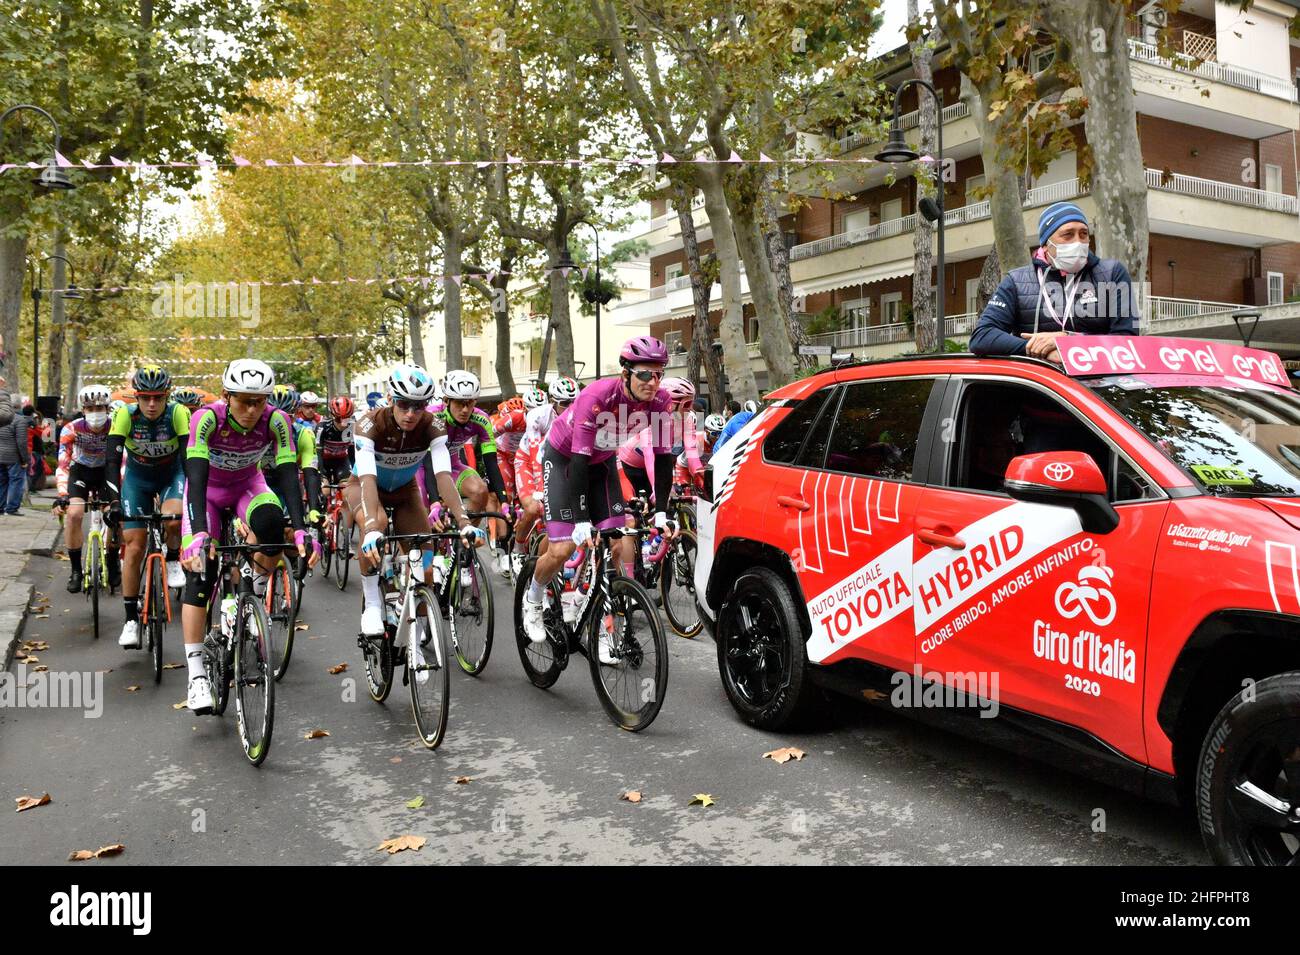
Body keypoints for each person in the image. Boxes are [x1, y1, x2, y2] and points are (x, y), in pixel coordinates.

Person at [521, 336, 677, 663]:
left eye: (659, 374)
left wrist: (661, 514)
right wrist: (580, 520)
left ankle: (604, 628)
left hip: (602, 461)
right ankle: (533, 596)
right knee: (563, 548)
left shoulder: (661, 402)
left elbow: (664, 460)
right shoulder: (597, 396)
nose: (653, 382)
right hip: (565, 460)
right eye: (645, 375)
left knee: (616, 546)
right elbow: (578, 461)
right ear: (626, 374)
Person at [178, 359, 316, 712]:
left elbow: (287, 476)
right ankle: (195, 677)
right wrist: (199, 535)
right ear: (227, 396)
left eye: (260, 401)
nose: (253, 410)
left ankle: (252, 593)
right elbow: (195, 479)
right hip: (206, 493)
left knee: (272, 525)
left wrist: (300, 529)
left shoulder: (277, 420)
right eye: (244, 401)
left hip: (246, 487)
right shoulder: (206, 418)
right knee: (199, 572)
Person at [348, 364, 481, 640]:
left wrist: (464, 521)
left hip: (405, 491)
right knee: (377, 527)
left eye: (418, 406)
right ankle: (372, 602)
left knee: (427, 561)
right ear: (390, 399)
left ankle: (417, 617)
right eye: (404, 404)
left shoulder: (433, 427)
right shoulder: (369, 425)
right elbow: (368, 478)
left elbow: (443, 476)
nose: (411, 413)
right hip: (365, 486)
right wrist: (372, 526)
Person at [970, 202, 1138, 363]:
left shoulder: (1112, 273)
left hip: (1099, 384)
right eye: (1068, 235)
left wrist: (1066, 341)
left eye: (1083, 234)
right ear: (1046, 245)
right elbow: (982, 337)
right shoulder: (1016, 281)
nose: (1078, 242)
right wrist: (1042, 350)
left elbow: (1128, 339)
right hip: (1041, 387)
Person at [105, 365, 190, 649]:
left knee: (174, 519)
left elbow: (190, 460)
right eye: (145, 398)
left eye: (158, 397)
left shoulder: (178, 413)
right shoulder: (124, 415)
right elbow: (112, 462)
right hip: (137, 481)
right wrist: (114, 502)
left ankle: (174, 558)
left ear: (167, 395)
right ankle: (130, 619)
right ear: (136, 397)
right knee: (134, 547)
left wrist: (195, 496)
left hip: (171, 475)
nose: (152, 404)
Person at [511, 376, 579, 574]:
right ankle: (517, 548)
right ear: (552, 401)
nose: (570, 408)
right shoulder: (538, 416)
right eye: (564, 404)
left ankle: (544, 566)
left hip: (557, 462)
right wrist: (542, 488)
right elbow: (535, 455)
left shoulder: (580, 416)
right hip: (528, 460)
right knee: (533, 508)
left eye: (574, 403)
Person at [55, 385, 117, 590]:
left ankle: (112, 560)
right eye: (90, 409)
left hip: (107, 473)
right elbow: (63, 464)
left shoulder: (116, 426)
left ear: (108, 409)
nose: (95, 413)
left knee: (116, 516)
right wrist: (63, 494)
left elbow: (124, 461)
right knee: (74, 514)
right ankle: (75, 570)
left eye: (100, 408)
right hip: (80, 472)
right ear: (83, 410)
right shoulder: (71, 428)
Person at [431, 370, 506, 533]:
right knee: (425, 518)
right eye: (459, 403)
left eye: (470, 403)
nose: (465, 409)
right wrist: (435, 499)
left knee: (480, 491)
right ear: (446, 401)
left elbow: (491, 463)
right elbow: (426, 462)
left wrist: (504, 500)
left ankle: (465, 540)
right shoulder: (431, 416)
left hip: (452, 466)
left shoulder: (481, 420)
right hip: (425, 469)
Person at [0, 393, 29, 515]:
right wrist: (24, 460)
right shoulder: (19, 420)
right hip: (14, 457)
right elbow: (21, 442)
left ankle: (0, 507)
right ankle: (12, 508)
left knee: (1, 482)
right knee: (16, 481)